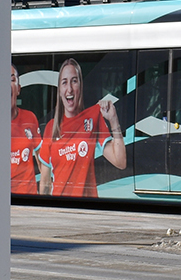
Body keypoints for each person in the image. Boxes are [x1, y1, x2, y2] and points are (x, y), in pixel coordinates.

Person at [37, 57, 126, 198]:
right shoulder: (51, 128)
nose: (69, 89)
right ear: (60, 91)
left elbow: (120, 162)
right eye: (64, 82)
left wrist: (114, 120)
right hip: (60, 210)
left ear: (80, 86)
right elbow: (45, 181)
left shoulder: (92, 117)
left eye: (74, 81)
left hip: (86, 211)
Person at [10, 65, 42, 195]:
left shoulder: (30, 118)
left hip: (28, 201)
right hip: (0, 199)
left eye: (12, 80)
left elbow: (41, 158)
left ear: (18, 89)